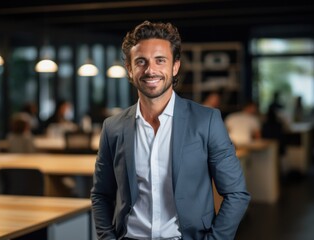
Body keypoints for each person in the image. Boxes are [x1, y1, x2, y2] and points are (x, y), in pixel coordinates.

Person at [91, 20, 250, 240]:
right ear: (129, 68)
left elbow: (236, 193)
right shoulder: (113, 127)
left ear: (175, 66)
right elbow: (101, 195)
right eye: (141, 61)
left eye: (160, 60)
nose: (150, 70)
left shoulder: (207, 121)